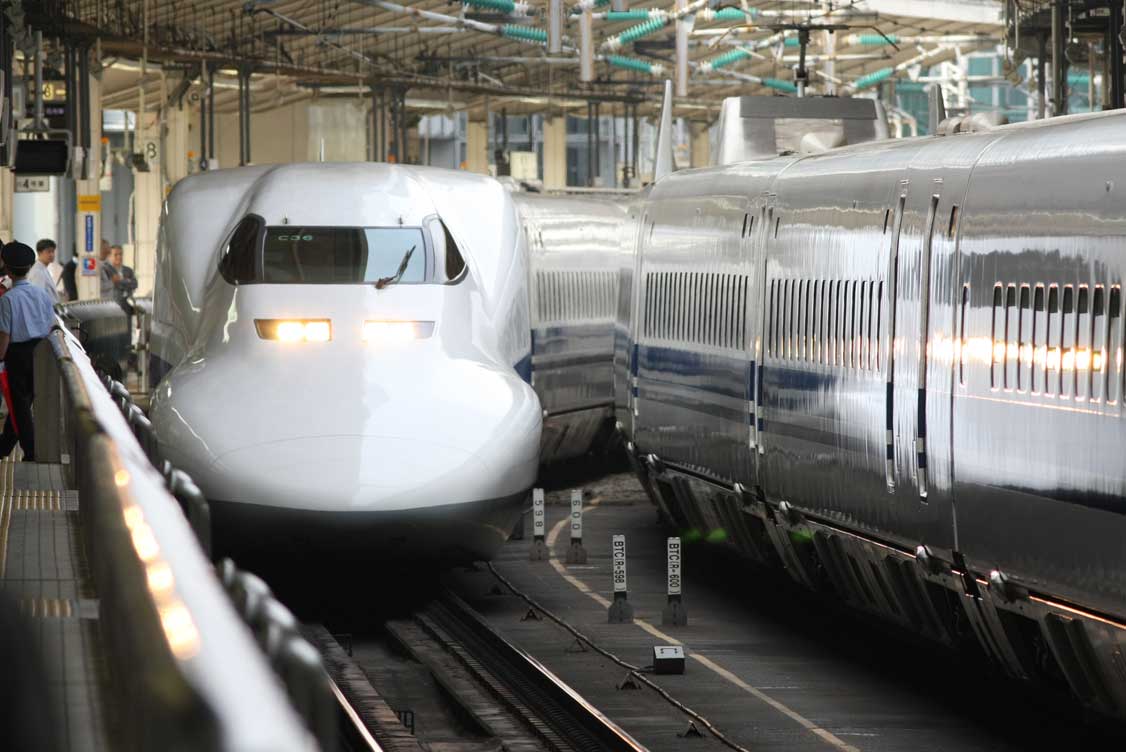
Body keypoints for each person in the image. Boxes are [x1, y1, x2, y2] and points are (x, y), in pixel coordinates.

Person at [0, 241, 56, 461]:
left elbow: (4, 335)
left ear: (8, 271)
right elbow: (51, 324)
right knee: (25, 402)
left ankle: (30, 450)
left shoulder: (8, 299)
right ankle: (5, 445)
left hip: (17, 355)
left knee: (19, 405)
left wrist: (0, 357)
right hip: (41, 351)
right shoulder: (41, 294)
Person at [28, 239, 59, 304]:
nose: (51, 254)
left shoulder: (43, 269)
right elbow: (38, 298)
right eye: (48, 252)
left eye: (53, 251)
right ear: (39, 253)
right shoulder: (37, 272)